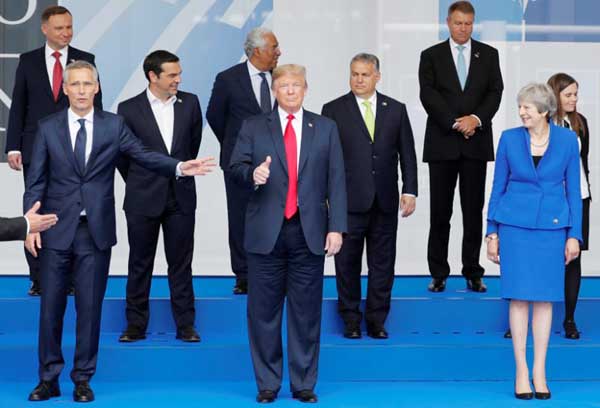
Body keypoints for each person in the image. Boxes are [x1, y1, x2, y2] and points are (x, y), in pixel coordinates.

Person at [23, 60, 214, 403]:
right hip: (53, 229)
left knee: (90, 309)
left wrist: (179, 167)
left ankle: (83, 378)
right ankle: (48, 378)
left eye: (87, 84)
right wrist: (29, 223)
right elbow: (35, 181)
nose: (81, 90)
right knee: (50, 308)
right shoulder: (47, 128)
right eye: (75, 85)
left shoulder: (114, 125)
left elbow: (142, 155)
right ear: (65, 89)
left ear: (97, 88)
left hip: (94, 232)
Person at [229, 64, 347, 403]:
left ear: (306, 89)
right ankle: (268, 382)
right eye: (284, 85)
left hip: (309, 232)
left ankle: (303, 383)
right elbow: (235, 168)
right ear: (275, 90)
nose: (291, 90)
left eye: (296, 85)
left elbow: (337, 180)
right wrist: (254, 174)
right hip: (266, 232)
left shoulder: (325, 127)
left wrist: (336, 227)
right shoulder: (253, 126)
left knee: (306, 313)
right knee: (263, 312)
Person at [486, 83, 581, 400]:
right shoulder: (509, 139)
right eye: (520, 106)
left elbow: (574, 193)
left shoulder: (568, 141)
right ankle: (521, 372)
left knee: (544, 299)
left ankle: (540, 369)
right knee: (519, 298)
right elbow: (497, 187)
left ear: (545, 110)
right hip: (514, 228)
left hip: (552, 229)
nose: (522, 112)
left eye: (527, 107)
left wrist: (575, 235)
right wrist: (492, 231)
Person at [5, 5, 102, 296]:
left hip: (75, 150)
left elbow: (97, 107)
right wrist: (12, 146)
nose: (66, 33)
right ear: (45, 29)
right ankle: (38, 278)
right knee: (35, 211)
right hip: (35, 149)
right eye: (59, 28)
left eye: (69, 27)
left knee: (70, 210)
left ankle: (70, 278)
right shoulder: (28, 60)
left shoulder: (86, 60)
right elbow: (18, 105)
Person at [321, 53, 417, 339]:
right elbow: (325, 158)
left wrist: (409, 189)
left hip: (385, 201)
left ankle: (377, 320)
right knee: (346, 263)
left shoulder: (396, 109)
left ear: (377, 76)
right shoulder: (333, 109)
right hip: (348, 202)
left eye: (364, 74)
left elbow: (407, 153)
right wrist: (327, 197)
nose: (358, 79)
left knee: (383, 264)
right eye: (354, 74)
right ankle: (350, 320)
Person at [116, 50, 203, 343]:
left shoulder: (191, 103)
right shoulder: (128, 108)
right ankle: (135, 325)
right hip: (142, 197)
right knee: (140, 262)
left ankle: (186, 325)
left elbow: (191, 146)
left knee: (181, 263)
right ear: (153, 76)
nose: (178, 79)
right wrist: (142, 182)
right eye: (172, 75)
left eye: (179, 74)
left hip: (181, 195)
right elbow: (123, 156)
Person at [419, 0, 503, 292]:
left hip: (476, 144)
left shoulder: (489, 55)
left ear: (473, 23)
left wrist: (476, 119)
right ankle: (438, 273)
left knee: (472, 211)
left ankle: (472, 271)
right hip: (443, 143)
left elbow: (495, 92)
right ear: (448, 22)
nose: (463, 28)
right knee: (440, 213)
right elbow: (427, 94)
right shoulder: (430, 55)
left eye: (468, 23)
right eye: (458, 23)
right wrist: (456, 122)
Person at [206, 27, 281, 294]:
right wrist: (237, 146)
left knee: (274, 214)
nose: (278, 52)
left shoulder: (280, 78)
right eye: (274, 47)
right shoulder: (228, 78)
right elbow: (215, 116)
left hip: (277, 162)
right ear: (257, 50)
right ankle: (244, 275)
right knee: (239, 218)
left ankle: (271, 270)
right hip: (240, 163)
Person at [548, 73, 591, 340]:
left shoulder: (580, 123)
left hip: (579, 199)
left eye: (576, 94)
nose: (574, 99)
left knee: (573, 259)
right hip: (551, 200)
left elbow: (583, 160)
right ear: (555, 96)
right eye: (568, 95)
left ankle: (569, 319)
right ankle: (524, 319)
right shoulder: (542, 123)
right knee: (544, 259)